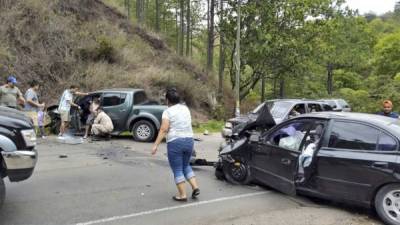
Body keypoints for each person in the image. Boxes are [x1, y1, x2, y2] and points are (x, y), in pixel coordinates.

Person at [151, 88, 200, 202]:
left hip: (175, 142)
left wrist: (155, 145)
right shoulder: (185, 109)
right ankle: (195, 187)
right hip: (189, 140)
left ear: (167, 100)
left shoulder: (167, 112)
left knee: (177, 169)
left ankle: (182, 195)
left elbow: (163, 129)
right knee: (186, 165)